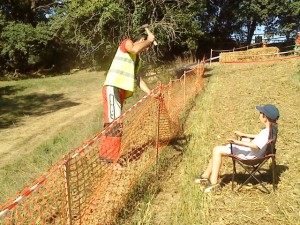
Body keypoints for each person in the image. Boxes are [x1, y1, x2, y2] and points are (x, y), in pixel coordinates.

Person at [194, 104, 280, 193]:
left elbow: (256, 146)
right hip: (255, 154)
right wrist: (244, 135)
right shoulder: (271, 130)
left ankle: (213, 183)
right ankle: (205, 176)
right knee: (216, 150)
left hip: (251, 157)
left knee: (217, 150)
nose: (259, 114)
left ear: (265, 117)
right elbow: (259, 138)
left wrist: (237, 142)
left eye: (260, 113)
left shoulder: (266, 132)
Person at [100, 30, 156, 164]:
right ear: (141, 40)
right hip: (113, 88)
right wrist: (150, 39)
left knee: (113, 124)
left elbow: (137, 79)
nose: (146, 49)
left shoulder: (136, 60)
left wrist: (151, 93)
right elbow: (135, 49)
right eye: (146, 46)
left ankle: (106, 157)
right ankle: (111, 160)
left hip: (119, 92)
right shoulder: (128, 43)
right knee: (115, 125)